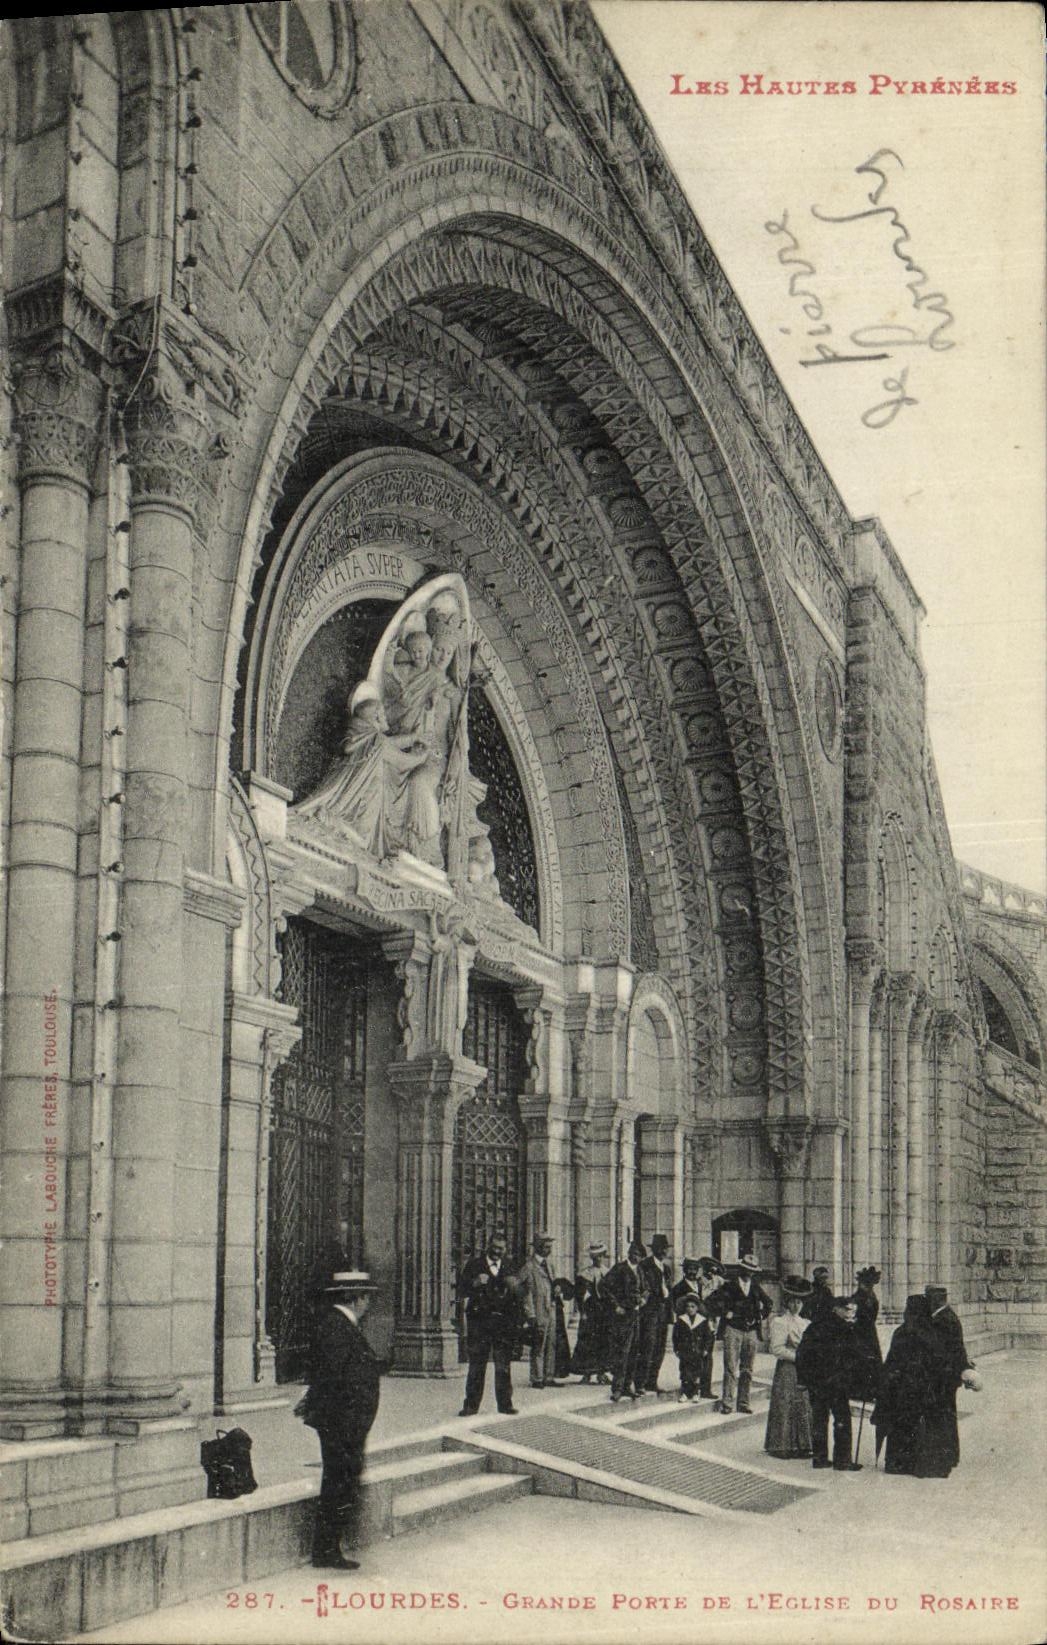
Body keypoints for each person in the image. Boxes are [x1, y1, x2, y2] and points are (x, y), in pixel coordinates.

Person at [300, 1270, 381, 1570]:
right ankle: (327, 1549)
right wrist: (348, 1422)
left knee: (341, 1480)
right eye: (367, 1297)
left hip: (345, 1423)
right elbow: (332, 1379)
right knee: (338, 1481)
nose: (368, 1303)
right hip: (342, 1424)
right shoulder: (337, 1327)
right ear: (355, 1298)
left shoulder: (339, 1325)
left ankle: (330, 1547)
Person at [293, 683, 429, 856]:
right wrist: (422, 756)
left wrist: (414, 738)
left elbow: (391, 743)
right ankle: (329, 819)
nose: (386, 717)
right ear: (376, 717)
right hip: (365, 802)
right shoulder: (376, 741)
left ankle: (330, 820)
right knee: (362, 841)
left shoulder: (365, 739)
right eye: (383, 714)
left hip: (359, 800)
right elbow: (401, 761)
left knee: (361, 842)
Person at [872, 1293, 939, 1475]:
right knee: (916, 1424)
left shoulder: (902, 1332)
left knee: (899, 1425)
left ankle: (896, 1462)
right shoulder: (930, 1333)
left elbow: (891, 1361)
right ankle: (915, 1462)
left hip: (900, 1388)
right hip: (919, 1387)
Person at [795, 1294, 863, 1471]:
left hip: (817, 1383)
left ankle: (819, 1458)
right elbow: (852, 1356)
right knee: (842, 1419)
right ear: (836, 1309)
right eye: (846, 1309)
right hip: (836, 1383)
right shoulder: (845, 1328)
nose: (849, 1313)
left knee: (819, 1419)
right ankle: (843, 1460)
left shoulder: (815, 1326)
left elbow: (802, 1353)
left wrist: (803, 1379)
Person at [458, 1235, 520, 1416]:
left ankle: (505, 1404)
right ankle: (471, 1405)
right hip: (480, 1322)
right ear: (487, 1247)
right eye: (494, 1247)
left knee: (503, 1365)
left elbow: (518, 1294)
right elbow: (461, 1290)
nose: (496, 1251)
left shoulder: (509, 1266)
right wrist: (475, 1283)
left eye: (501, 1248)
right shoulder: (474, 1265)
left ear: (505, 1249)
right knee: (477, 1365)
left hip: (502, 1323)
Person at [706, 1253, 772, 1414]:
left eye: (752, 1271)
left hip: (751, 1332)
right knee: (730, 1367)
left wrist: (760, 1317)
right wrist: (725, 1312)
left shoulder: (755, 1286)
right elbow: (710, 1301)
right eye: (746, 1269)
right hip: (733, 1330)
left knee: (747, 1369)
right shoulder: (729, 1285)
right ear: (740, 1269)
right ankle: (727, 1403)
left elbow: (769, 1303)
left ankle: (743, 1403)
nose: (749, 1273)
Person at [921, 1284, 975, 1477]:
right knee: (948, 1415)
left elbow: (942, 1352)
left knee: (942, 1416)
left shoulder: (943, 1319)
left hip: (942, 1377)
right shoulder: (947, 1316)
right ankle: (951, 1455)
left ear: (937, 1298)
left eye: (928, 1297)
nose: (926, 1301)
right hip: (948, 1376)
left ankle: (944, 1457)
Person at [764, 1277, 814, 1460]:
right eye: (793, 1301)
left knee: (803, 1403)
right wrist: (799, 1357)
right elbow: (776, 1349)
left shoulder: (805, 1323)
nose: (796, 1306)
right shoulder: (779, 1322)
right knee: (786, 1403)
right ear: (787, 1302)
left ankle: (803, 1445)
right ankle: (782, 1445)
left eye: (799, 1302)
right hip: (788, 1368)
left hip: (803, 1368)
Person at [669, 1257, 722, 1398]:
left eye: (694, 1269)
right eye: (689, 1269)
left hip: (704, 1327)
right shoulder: (678, 1288)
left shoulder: (700, 1285)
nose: (692, 1272)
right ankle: (688, 1389)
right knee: (689, 1360)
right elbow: (677, 1309)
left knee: (707, 1356)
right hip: (689, 1329)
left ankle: (705, 1389)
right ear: (684, 1270)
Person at [602, 1241, 646, 1401]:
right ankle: (617, 1388)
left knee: (634, 1351)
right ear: (629, 1254)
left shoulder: (640, 1270)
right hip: (622, 1316)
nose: (637, 1257)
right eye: (634, 1254)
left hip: (636, 1316)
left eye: (640, 1255)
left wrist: (643, 1299)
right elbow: (604, 1287)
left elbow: (646, 1288)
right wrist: (616, 1305)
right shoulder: (619, 1269)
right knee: (622, 1352)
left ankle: (628, 1386)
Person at [518, 1233, 562, 1388]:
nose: (549, 1250)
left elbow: (553, 1282)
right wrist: (529, 1313)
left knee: (551, 1342)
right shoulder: (529, 1266)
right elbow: (524, 1291)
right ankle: (537, 1378)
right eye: (546, 1247)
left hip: (551, 1308)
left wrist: (557, 1289)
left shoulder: (550, 1265)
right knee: (539, 1344)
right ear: (538, 1247)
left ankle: (548, 1376)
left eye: (550, 1246)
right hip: (537, 1311)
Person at [638, 1233, 674, 1392]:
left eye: (665, 1248)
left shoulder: (666, 1268)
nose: (664, 1251)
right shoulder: (645, 1265)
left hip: (663, 1311)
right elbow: (644, 1287)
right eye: (661, 1248)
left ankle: (653, 1381)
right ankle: (641, 1382)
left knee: (660, 1347)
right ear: (655, 1250)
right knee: (648, 1346)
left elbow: (669, 1289)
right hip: (650, 1311)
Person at [571, 1243, 611, 1384]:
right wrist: (582, 1312)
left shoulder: (608, 1272)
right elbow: (580, 1295)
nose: (598, 1259)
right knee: (587, 1341)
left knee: (603, 1340)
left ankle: (601, 1373)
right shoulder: (584, 1274)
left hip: (604, 1311)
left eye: (601, 1256)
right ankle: (586, 1373)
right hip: (590, 1311)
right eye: (596, 1257)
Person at [850, 1265, 884, 1403]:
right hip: (862, 1333)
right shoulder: (860, 1297)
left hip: (865, 1332)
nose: (867, 1286)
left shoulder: (867, 1297)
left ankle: (868, 1390)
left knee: (868, 1359)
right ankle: (863, 1390)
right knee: (862, 1358)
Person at [672, 1294, 707, 1401]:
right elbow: (675, 1336)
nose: (690, 1309)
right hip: (685, 1351)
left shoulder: (702, 1321)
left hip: (697, 1350)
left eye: (693, 1306)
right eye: (688, 1307)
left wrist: (705, 1349)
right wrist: (677, 1349)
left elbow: (707, 1336)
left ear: (697, 1308)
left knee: (696, 1371)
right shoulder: (681, 1320)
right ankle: (685, 1393)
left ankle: (696, 1392)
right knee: (685, 1372)